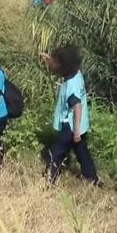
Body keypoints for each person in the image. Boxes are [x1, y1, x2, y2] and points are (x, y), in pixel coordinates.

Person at [40, 45, 102, 187]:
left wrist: (75, 131)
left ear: (62, 66)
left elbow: (77, 107)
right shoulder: (76, 74)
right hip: (80, 125)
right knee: (82, 153)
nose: (52, 65)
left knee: (56, 153)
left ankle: (51, 179)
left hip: (70, 126)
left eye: (54, 62)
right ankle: (92, 178)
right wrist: (48, 60)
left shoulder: (70, 87)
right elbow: (58, 67)